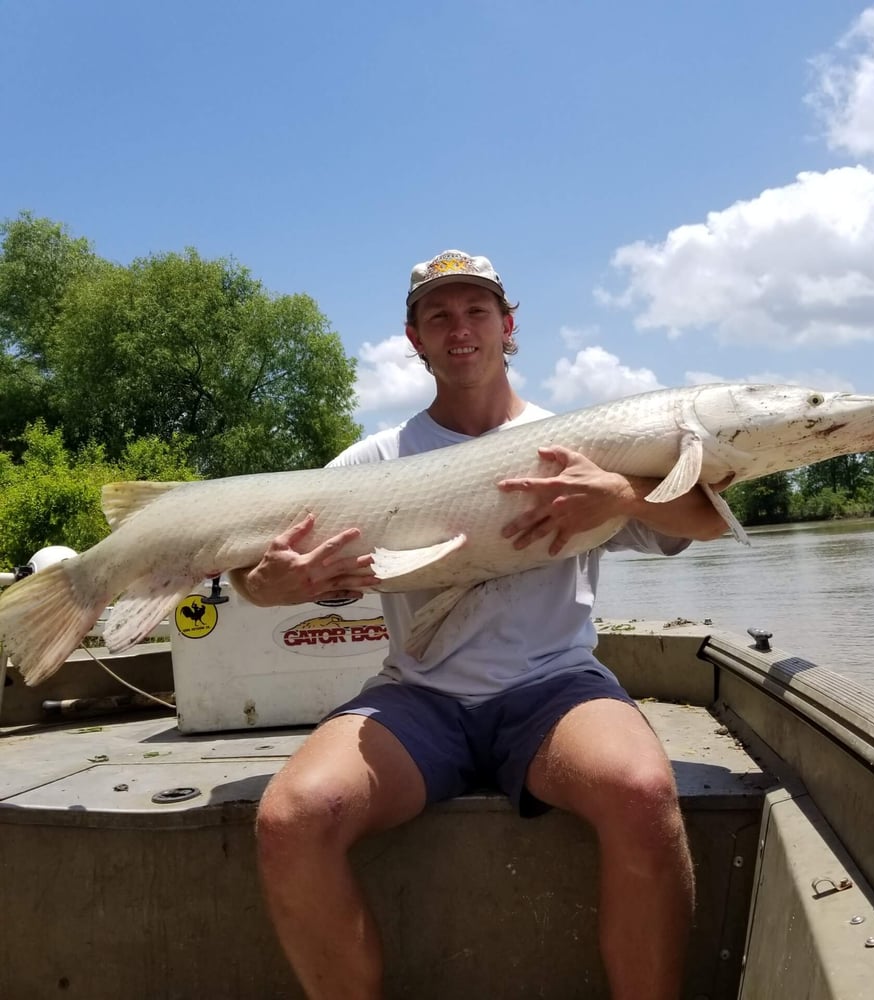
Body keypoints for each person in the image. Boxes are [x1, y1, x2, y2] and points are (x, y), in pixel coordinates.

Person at [237, 250, 730, 1000]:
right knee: (292, 817)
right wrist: (271, 585)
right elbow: (259, 575)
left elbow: (705, 520)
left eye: (475, 310)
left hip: (554, 688)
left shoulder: (581, 445)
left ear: (508, 326)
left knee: (639, 791)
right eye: (438, 314)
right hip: (418, 699)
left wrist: (622, 495)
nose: (458, 327)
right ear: (415, 339)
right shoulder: (372, 462)